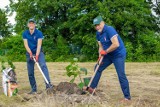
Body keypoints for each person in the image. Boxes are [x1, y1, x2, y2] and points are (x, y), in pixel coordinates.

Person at [84, 16, 131, 101]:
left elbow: (116, 44)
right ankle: (92, 88)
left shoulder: (109, 29)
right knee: (97, 67)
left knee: (121, 75)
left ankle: (127, 97)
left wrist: (105, 52)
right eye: (95, 26)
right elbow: (101, 46)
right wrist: (100, 56)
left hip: (118, 54)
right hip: (108, 55)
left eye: (98, 25)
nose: (97, 27)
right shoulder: (98, 33)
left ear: (102, 23)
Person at [22, 19, 52, 94]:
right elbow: (26, 45)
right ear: (28, 25)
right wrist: (30, 53)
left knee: (43, 66)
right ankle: (34, 89)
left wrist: (37, 55)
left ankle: (48, 87)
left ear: (35, 25)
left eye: (33, 23)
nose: (31, 24)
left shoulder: (39, 33)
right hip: (29, 52)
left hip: (39, 52)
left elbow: (39, 45)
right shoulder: (25, 33)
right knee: (30, 72)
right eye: (30, 23)